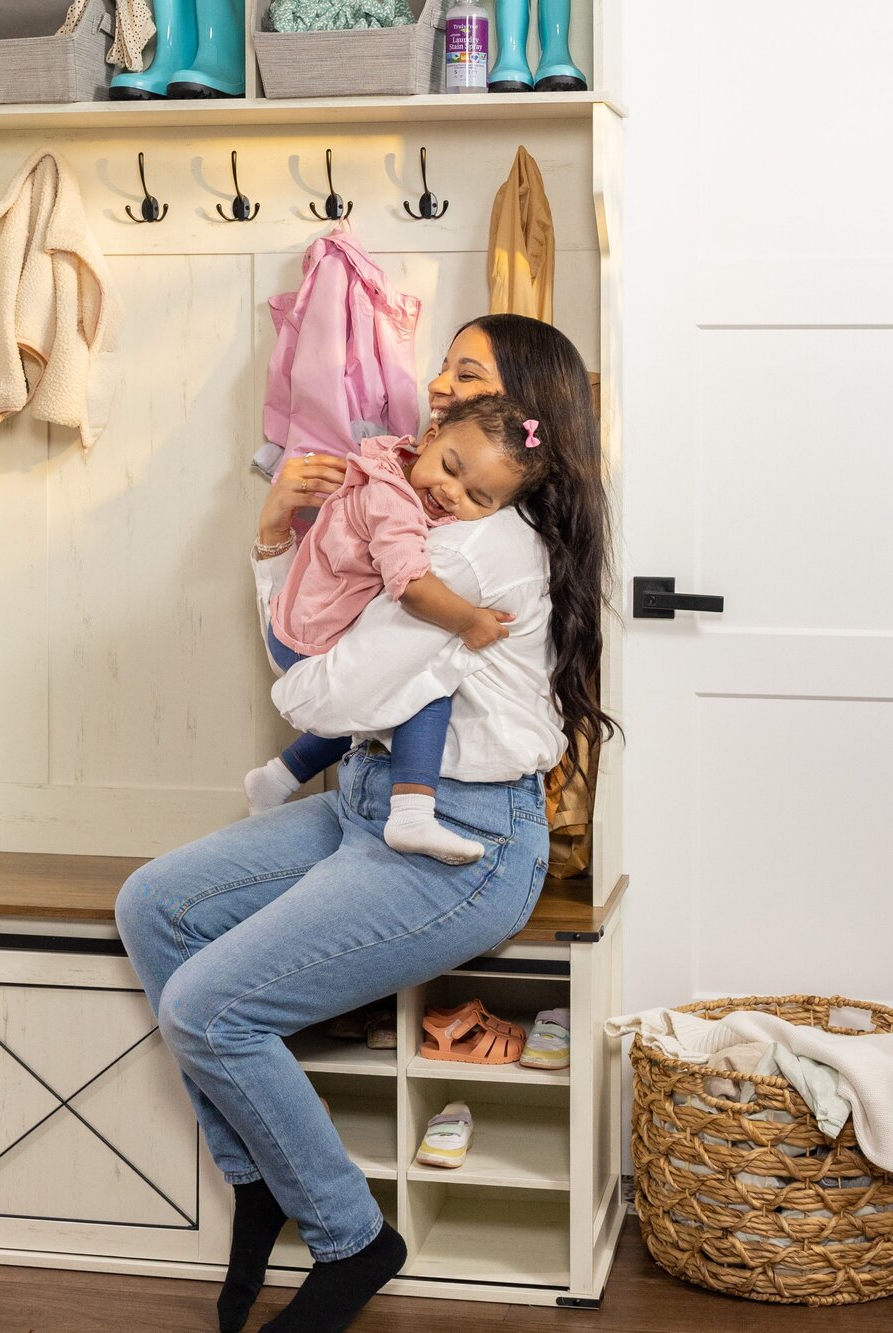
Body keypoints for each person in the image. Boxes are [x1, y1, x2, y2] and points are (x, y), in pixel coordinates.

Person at [116, 314, 616, 1333]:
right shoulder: (429, 504)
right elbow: (321, 659)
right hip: (368, 802)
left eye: (464, 373)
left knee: (208, 1007)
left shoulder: (472, 546)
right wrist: (271, 537)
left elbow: (316, 688)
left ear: (518, 414)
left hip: (461, 847)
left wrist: (282, 571)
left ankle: (352, 1239)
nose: (436, 385)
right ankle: (257, 1174)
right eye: (443, 367)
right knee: (154, 903)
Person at [247, 394, 550, 865]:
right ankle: (411, 813)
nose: (452, 493)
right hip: (309, 635)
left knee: (385, 696)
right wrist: (470, 620)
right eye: (450, 468)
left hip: (302, 624)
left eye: (477, 498)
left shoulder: (400, 480)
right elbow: (410, 585)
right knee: (425, 688)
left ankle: (277, 777)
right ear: (429, 438)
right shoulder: (393, 501)